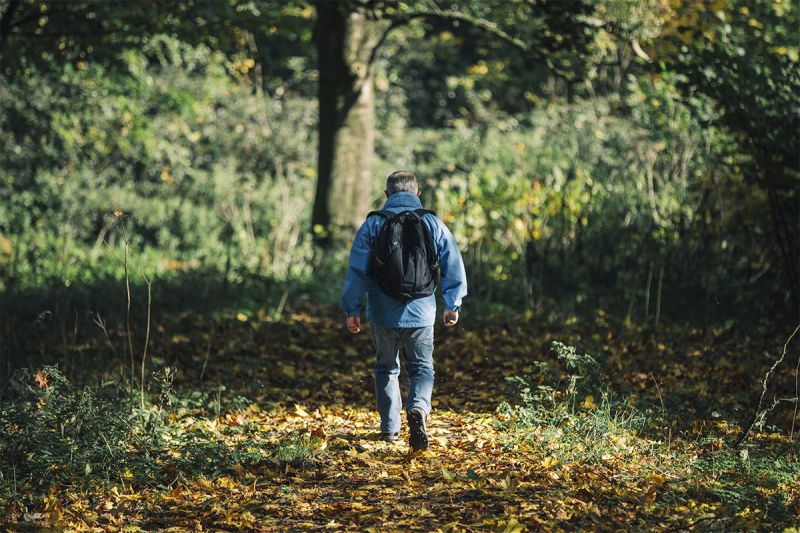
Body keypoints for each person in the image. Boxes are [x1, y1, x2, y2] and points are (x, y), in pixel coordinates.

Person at [340, 170, 467, 451]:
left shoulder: (373, 224)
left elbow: (357, 270)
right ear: (417, 194)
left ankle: (389, 429)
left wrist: (352, 309)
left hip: (382, 313)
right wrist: (452, 303)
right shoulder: (432, 222)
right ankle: (419, 409)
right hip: (421, 311)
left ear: (387, 195)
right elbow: (452, 262)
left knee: (386, 368)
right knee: (422, 367)